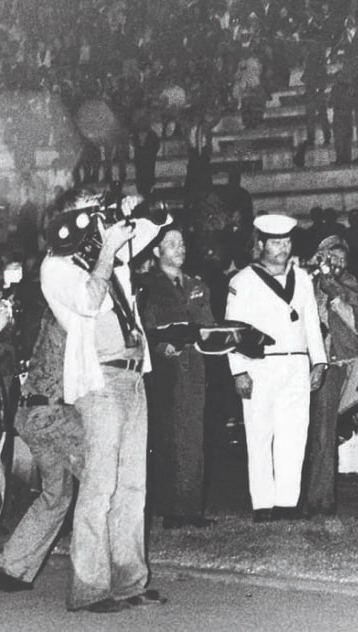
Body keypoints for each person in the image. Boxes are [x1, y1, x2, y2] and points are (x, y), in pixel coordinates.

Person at [41, 190, 166, 612]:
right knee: (99, 486)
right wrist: (109, 249)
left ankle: (130, 581)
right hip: (100, 381)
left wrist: (142, 209)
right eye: (94, 210)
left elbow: (155, 226)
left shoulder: (105, 252)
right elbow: (89, 302)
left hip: (132, 377)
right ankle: (89, 588)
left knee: (133, 486)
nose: (101, 216)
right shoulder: (56, 266)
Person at [226, 213, 328, 522]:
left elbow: (311, 321)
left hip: (296, 363)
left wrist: (319, 361)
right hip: (261, 364)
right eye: (275, 243)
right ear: (260, 245)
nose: (282, 248)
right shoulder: (242, 280)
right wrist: (238, 370)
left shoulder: (303, 279)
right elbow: (233, 329)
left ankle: (287, 502)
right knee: (260, 435)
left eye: (286, 242)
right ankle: (262, 504)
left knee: (294, 434)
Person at [0, 304, 86, 592]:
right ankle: (102, 578)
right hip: (54, 414)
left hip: (32, 411)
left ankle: (12, 570)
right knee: (105, 482)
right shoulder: (72, 308)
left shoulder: (50, 310)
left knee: (57, 494)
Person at [138, 226, 214, 528]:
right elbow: (142, 328)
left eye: (181, 243)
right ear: (157, 252)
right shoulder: (148, 287)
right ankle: (170, 507)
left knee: (194, 436)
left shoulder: (197, 285)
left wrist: (209, 333)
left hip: (194, 366)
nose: (179, 249)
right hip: (164, 369)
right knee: (166, 435)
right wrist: (159, 346)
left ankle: (191, 508)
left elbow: (207, 323)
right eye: (171, 244)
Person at [303, 235, 358, 517]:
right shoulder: (307, 280)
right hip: (303, 363)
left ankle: (320, 499)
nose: (339, 265)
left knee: (323, 433)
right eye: (333, 259)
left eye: (343, 260)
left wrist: (329, 280)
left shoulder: (348, 284)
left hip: (333, 363)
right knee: (308, 433)